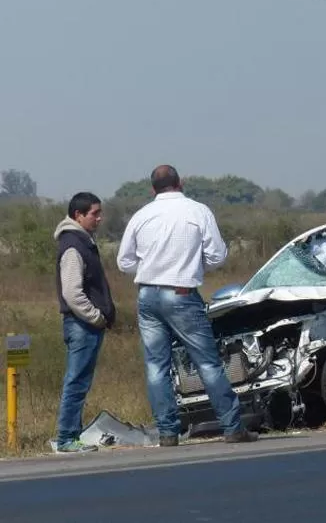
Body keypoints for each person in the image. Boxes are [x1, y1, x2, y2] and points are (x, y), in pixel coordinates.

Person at [116, 165, 257, 446]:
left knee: (157, 366)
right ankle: (232, 427)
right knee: (207, 363)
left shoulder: (141, 216)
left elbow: (124, 262)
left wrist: (152, 267)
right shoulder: (197, 210)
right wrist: (193, 266)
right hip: (181, 293)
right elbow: (217, 255)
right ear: (180, 183)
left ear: (152, 188)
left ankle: (168, 432)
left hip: (148, 295)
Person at [53, 192, 115, 454]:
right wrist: (96, 317)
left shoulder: (83, 242)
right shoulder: (72, 246)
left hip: (85, 325)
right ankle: (67, 438)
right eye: (94, 213)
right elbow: (72, 292)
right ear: (78, 215)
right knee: (76, 381)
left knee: (79, 381)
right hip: (82, 325)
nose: (99, 218)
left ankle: (72, 435)